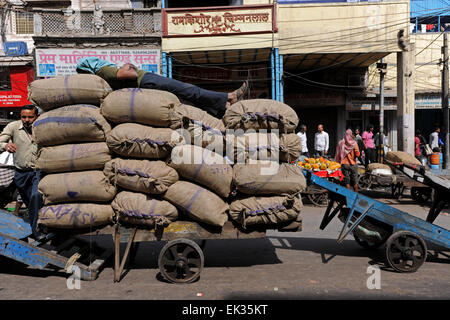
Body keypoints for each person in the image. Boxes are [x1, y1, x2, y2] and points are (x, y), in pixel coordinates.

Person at [75, 57, 248, 118]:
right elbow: (131, 74)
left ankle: (219, 108)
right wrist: (128, 65)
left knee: (185, 98)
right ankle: (227, 98)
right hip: (147, 81)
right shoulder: (104, 70)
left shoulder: (102, 78)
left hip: (146, 85)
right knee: (187, 90)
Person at [0, 105, 44, 238]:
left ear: (36, 116)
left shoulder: (43, 128)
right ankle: (39, 224)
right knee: (30, 202)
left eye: (30, 117)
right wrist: (5, 145)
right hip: (21, 173)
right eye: (23, 117)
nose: (27, 120)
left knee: (36, 196)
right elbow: (0, 140)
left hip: (38, 171)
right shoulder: (14, 126)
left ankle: (37, 231)